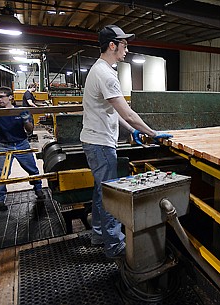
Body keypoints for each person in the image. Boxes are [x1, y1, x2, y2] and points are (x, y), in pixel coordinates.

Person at [80, 24, 172, 259]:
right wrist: (152, 133)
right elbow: (127, 112)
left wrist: (132, 131)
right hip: (100, 144)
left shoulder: (101, 70)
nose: (127, 49)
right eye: (124, 44)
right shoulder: (106, 74)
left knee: (102, 191)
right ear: (112, 45)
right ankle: (114, 246)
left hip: (96, 141)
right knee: (111, 196)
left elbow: (115, 113)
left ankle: (99, 235)